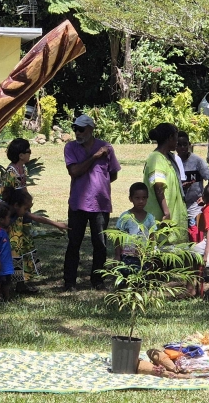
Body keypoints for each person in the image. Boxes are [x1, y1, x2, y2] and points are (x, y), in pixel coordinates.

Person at [0, 138, 67, 293]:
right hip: (12, 217)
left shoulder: (23, 170)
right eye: (29, 151)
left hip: (22, 216)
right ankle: (8, 285)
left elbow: (24, 191)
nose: (31, 153)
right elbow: (2, 197)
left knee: (23, 248)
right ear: (21, 155)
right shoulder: (11, 173)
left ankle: (21, 284)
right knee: (14, 250)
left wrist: (27, 204)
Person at [62, 114, 120, 292]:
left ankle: (98, 280)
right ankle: (70, 281)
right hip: (78, 204)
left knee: (100, 244)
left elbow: (113, 173)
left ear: (91, 129)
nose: (77, 133)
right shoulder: (70, 147)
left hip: (100, 203)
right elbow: (75, 171)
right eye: (75, 129)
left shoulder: (107, 148)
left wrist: (98, 185)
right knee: (74, 243)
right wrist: (95, 157)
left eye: (81, 129)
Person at [143, 123, 187, 224]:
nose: (177, 142)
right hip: (160, 216)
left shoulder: (168, 157)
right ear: (170, 137)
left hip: (172, 212)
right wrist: (166, 212)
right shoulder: (157, 158)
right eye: (176, 138)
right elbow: (158, 187)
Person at [176, 130, 209, 242]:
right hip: (179, 205)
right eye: (179, 144)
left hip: (195, 206)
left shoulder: (197, 161)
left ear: (189, 145)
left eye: (185, 144)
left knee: (195, 235)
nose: (183, 147)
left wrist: (205, 197)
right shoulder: (174, 161)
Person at [114, 182, 155, 269]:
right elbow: (118, 237)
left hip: (144, 256)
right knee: (128, 279)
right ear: (130, 199)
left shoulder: (150, 218)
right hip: (127, 256)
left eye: (144, 198)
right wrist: (117, 255)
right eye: (137, 198)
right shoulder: (125, 217)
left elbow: (152, 238)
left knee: (143, 279)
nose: (141, 201)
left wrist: (151, 256)